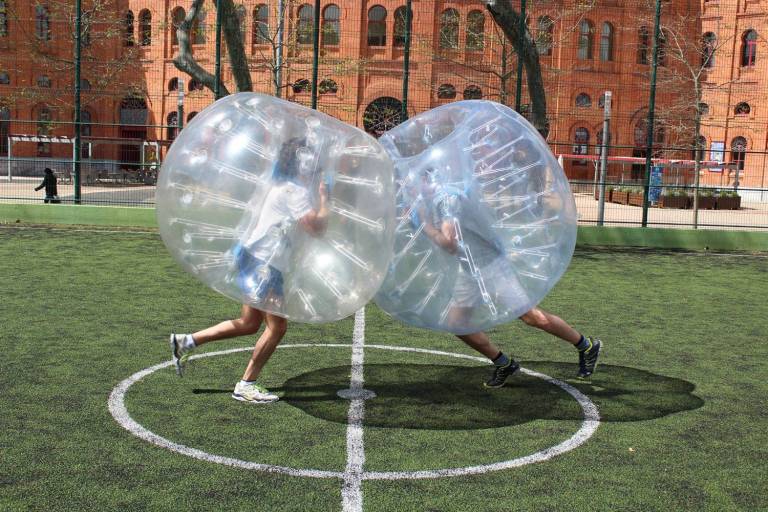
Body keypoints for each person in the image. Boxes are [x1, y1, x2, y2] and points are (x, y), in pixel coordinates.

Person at [169, 137, 330, 403]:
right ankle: (246, 384)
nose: (315, 163)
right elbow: (316, 227)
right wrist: (325, 200)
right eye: (310, 157)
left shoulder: (283, 186)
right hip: (264, 265)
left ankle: (185, 342)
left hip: (254, 258)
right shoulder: (292, 192)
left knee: (249, 323)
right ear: (302, 162)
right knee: (277, 327)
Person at [417, 168, 601, 389]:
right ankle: (504, 364)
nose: (409, 189)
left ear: (426, 179)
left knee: (532, 317)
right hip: (470, 269)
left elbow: (450, 243)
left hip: (491, 266)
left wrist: (425, 224)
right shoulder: (435, 200)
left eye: (412, 184)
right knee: (457, 324)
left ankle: (586, 345)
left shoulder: (446, 199)